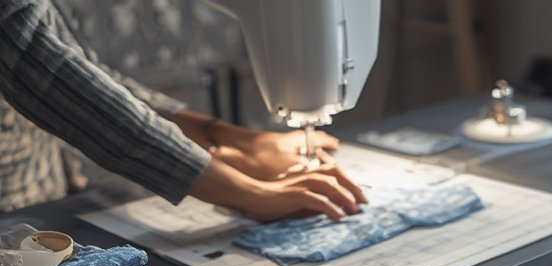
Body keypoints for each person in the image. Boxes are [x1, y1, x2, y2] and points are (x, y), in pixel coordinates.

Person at [0, 0, 366, 220]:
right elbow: (47, 75)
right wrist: (255, 195)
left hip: (44, 192)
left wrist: (238, 139)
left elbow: (78, 68)